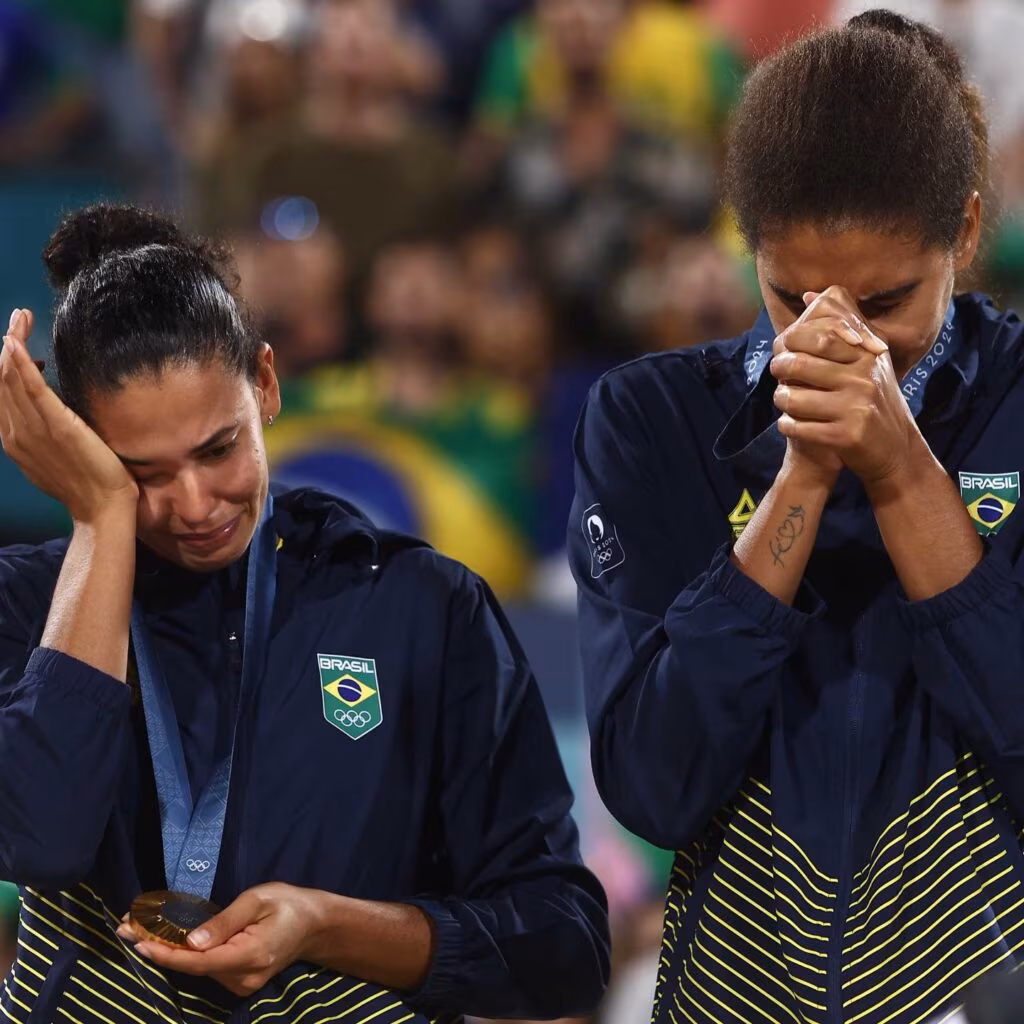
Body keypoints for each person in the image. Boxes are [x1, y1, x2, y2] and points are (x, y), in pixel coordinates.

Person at [0, 203, 610, 1024]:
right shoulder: (23, 607)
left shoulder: (420, 608)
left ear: (267, 383)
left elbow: (562, 947)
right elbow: (46, 837)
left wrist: (330, 928)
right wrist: (102, 519)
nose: (193, 505)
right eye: (139, 472)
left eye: (219, 449)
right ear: (78, 446)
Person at [569, 9, 1024, 1023]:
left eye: (886, 300)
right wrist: (804, 472)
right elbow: (653, 785)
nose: (839, 341)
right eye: (793, 296)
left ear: (962, 228)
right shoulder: (649, 420)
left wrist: (900, 468)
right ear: (747, 245)